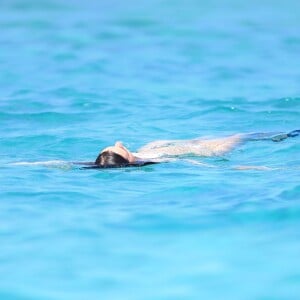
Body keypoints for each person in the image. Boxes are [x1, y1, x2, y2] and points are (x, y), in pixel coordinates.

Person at [90, 129, 300, 169]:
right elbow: (189, 162)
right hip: (209, 152)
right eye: (121, 148)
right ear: (130, 160)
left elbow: (61, 165)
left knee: (205, 137)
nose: (119, 143)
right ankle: (286, 135)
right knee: (242, 136)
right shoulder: (157, 160)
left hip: (193, 143)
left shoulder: (116, 160)